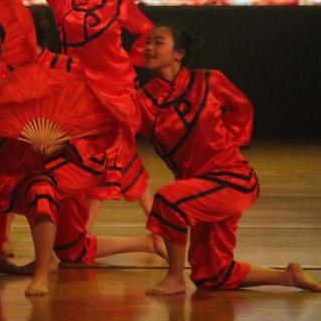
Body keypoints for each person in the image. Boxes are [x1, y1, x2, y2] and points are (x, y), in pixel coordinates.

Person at [0, 16, 158, 297]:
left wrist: (55, 146)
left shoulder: (27, 78)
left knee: (57, 219)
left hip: (37, 171)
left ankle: (42, 272)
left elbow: (62, 120)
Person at [136, 24, 321, 296]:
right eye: (147, 43)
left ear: (179, 53)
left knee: (169, 200)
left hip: (232, 180)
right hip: (198, 189)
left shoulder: (209, 80)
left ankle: (174, 278)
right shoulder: (143, 100)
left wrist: (227, 143)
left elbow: (241, 108)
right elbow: (115, 123)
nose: (149, 48)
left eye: (158, 42)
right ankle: (287, 277)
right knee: (211, 275)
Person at [8, 0, 153, 221]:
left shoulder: (118, 3)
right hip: (81, 92)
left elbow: (147, 34)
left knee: (114, 156)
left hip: (118, 92)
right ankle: (156, 226)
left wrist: (130, 63)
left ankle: (88, 230)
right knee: (109, 158)